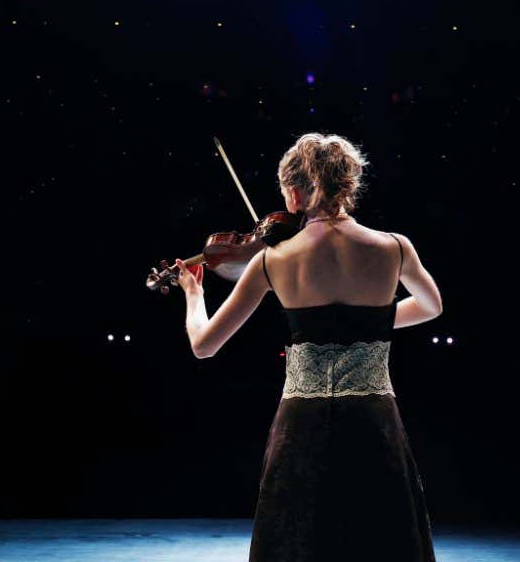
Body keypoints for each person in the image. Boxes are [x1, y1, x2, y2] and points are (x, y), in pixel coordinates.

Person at [175, 132, 442, 561]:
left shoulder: (272, 259)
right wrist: (371, 320)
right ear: (347, 184)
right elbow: (431, 306)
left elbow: (204, 346)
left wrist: (193, 294)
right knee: (381, 541)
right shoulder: (394, 247)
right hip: (374, 421)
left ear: (295, 194)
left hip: (301, 425)